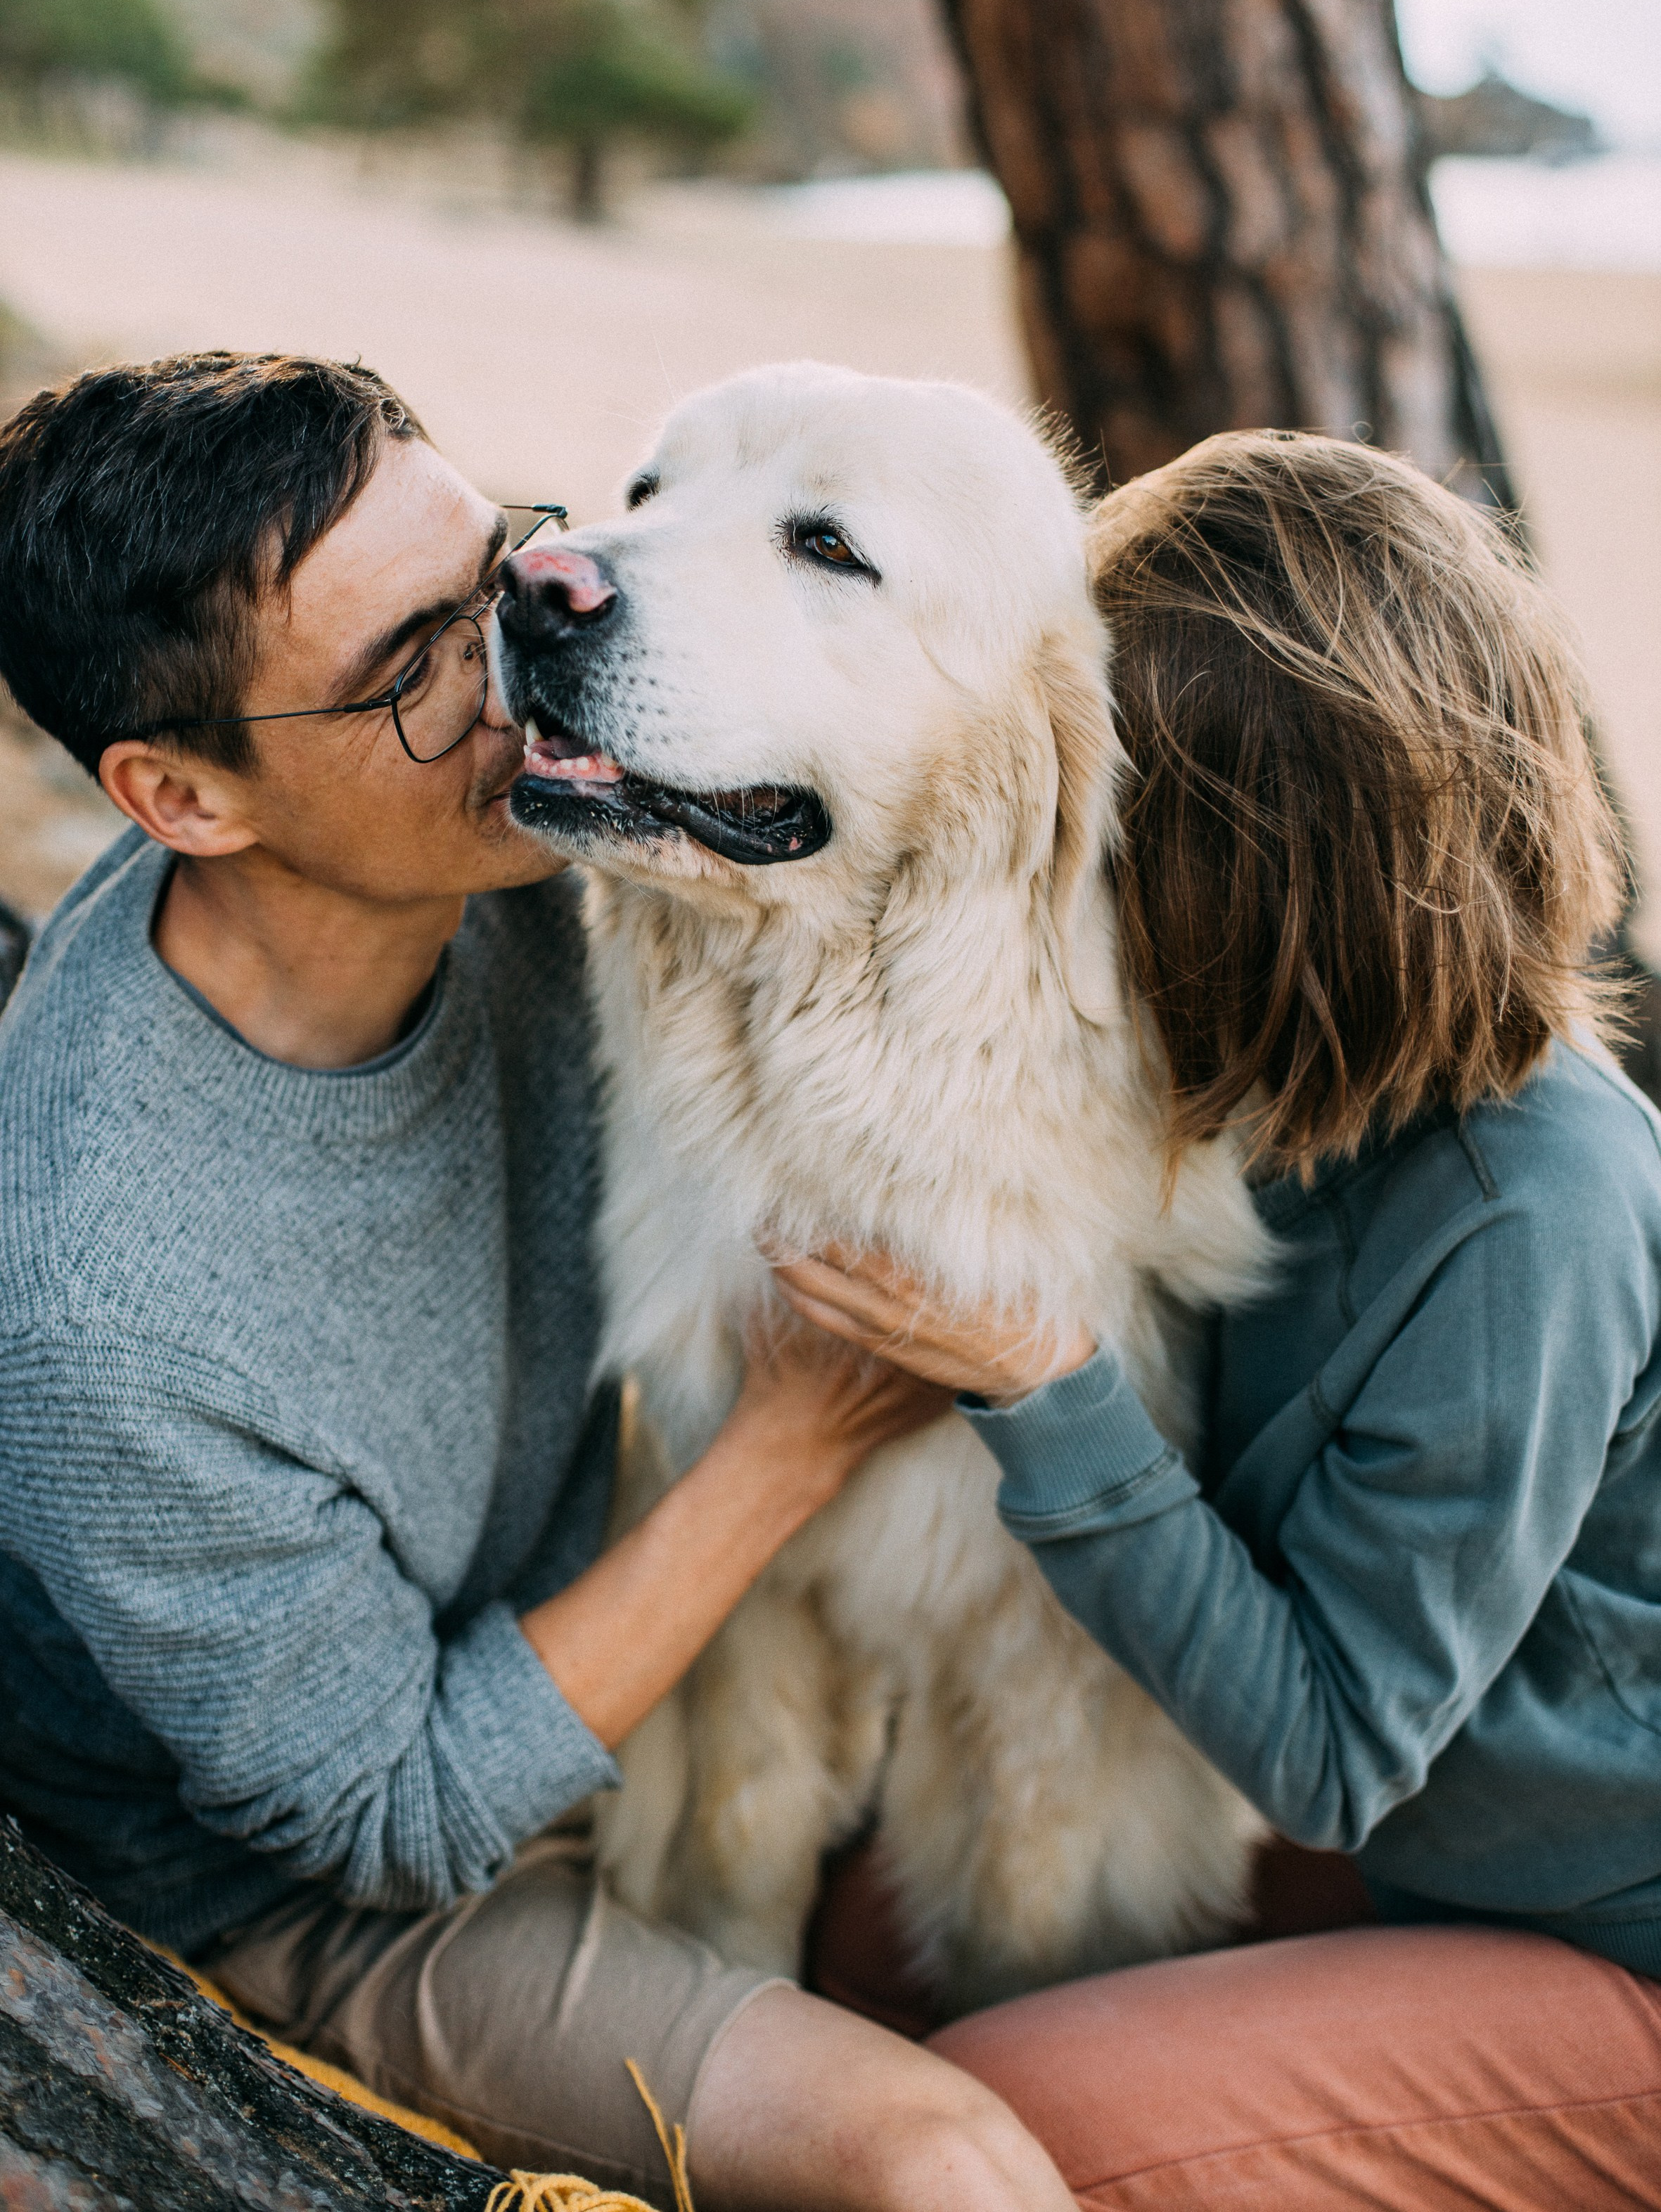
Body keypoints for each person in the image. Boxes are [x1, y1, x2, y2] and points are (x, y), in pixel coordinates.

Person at [0, 352, 1078, 2212]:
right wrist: (793, 1446)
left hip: (593, 1617)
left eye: (499, 562)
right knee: (943, 2162)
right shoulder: (108, 1314)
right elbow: (389, 1817)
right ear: (181, 795)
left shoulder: (511, 822)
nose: (524, 652)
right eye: (404, 667)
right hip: (331, 1888)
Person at [778, 432, 1661, 2209]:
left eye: (1105, 797)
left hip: (1599, 1918)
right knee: (858, 1945)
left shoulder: (1526, 1208)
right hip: (1431, 1837)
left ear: (1258, 873)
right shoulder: (1245, 1064)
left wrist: (1048, 1390)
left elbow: (1335, 1749)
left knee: (1001, 2119)